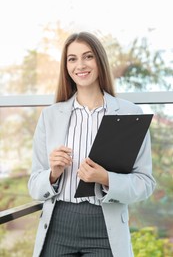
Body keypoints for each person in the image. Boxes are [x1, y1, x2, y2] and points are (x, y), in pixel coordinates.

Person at [28, 31, 156, 257]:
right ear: (66, 66)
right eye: (72, 58)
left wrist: (106, 179)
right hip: (59, 223)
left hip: (105, 225)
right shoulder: (50, 116)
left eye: (88, 56)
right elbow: (33, 185)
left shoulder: (129, 113)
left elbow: (145, 183)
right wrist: (52, 174)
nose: (80, 65)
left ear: (99, 60)